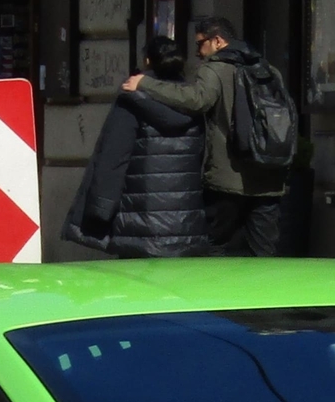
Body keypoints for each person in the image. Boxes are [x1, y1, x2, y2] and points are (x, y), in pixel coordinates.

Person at [122, 15, 289, 256]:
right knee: (264, 252)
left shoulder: (215, 69)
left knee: (213, 247)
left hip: (229, 180)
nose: (198, 52)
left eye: (201, 43)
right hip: (269, 177)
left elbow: (196, 99)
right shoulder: (267, 69)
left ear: (218, 41)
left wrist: (145, 84)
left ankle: (216, 293)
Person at [62, 37, 209, 257]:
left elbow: (113, 158)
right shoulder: (193, 102)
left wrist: (99, 210)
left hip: (139, 223)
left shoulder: (132, 100)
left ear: (148, 61)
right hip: (185, 226)